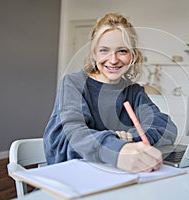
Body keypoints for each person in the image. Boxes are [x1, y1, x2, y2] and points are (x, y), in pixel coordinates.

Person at [43, 13, 177, 172]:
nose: (113, 60)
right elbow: (70, 135)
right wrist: (117, 147)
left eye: (122, 51)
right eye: (104, 50)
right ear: (94, 54)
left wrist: (131, 139)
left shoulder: (133, 91)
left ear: (132, 55)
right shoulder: (73, 83)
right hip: (77, 174)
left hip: (120, 176)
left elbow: (165, 126)